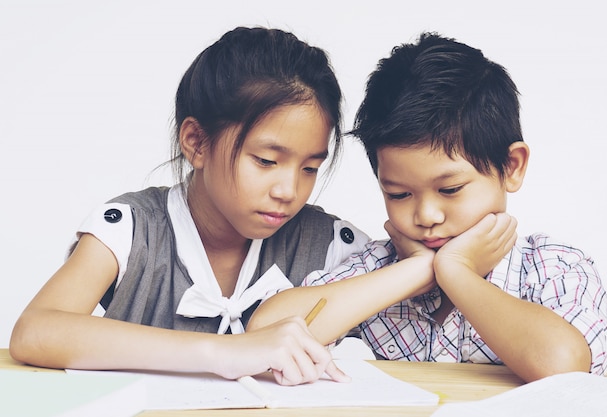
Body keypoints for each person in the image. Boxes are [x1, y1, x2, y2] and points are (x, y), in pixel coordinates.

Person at [9, 26, 375, 386]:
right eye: (265, 161)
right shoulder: (133, 230)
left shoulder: (332, 245)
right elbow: (35, 331)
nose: (289, 190)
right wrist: (223, 353)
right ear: (196, 142)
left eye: (310, 168)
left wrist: (421, 264)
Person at [248, 32, 607, 382]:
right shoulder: (378, 269)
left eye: (450, 189)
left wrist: (458, 274)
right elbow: (264, 338)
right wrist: (422, 270)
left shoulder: (553, 269)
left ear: (512, 167)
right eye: (399, 194)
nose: (426, 216)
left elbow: (566, 367)